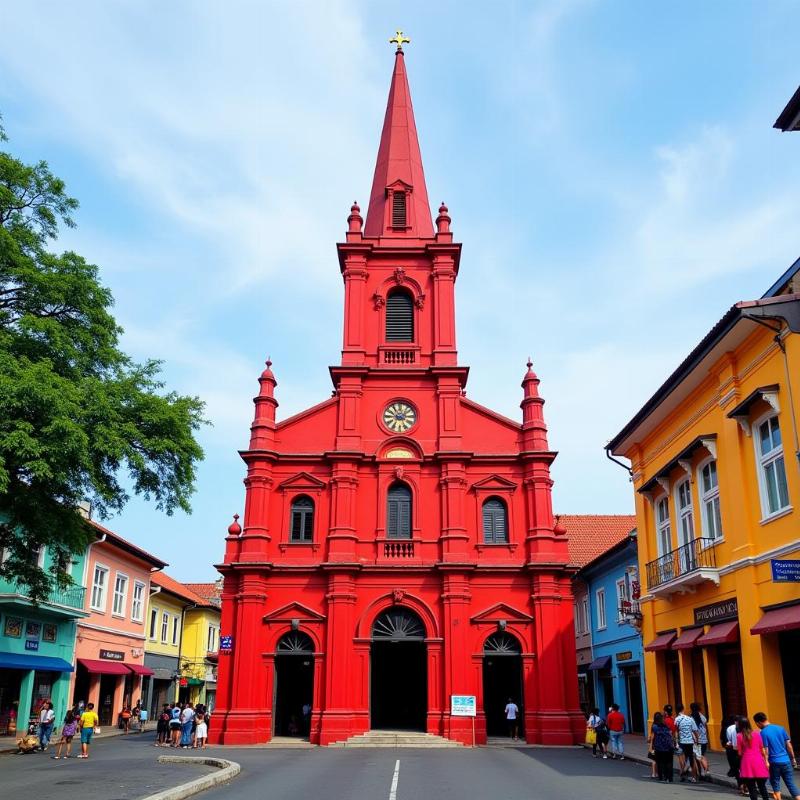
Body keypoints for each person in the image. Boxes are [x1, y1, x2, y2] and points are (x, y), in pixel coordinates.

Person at [754, 711, 800, 800]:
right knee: (790, 784)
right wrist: (793, 758)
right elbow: (789, 745)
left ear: (758, 722)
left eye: (756, 724)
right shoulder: (781, 728)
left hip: (774, 762)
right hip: (786, 761)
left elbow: (765, 749)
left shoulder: (763, 732)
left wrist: (766, 762)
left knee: (775, 783)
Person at [738, 716, 770, 800]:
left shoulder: (739, 736)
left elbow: (740, 752)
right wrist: (766, 760)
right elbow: (761, 748)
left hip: (747, 763)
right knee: (762, 787)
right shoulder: (757, 733)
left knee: (752, 789)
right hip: (758, 761)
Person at [722, 715, 748, 796]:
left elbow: (728, 740)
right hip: (740, 752)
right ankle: (744, 786)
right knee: (741, 769)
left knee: (738, 769)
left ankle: (742, 786)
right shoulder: (746, 729)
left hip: (735, 751)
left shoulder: (730, 728)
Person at [674, 703, 699, 782]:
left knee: (682, 759)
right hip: (690, 742)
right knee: (692, 760)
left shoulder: (677, 719)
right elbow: (695, 731)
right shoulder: (690, 719)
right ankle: (694, 777)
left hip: (682, 742)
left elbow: (676, 731)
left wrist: (676, 741)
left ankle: (683, 774)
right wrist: (697, 741)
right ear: (683, 709)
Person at [649, 711, 675, 783]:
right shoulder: (666, 726)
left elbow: (652, 736)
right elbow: (670, 733)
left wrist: (651, 746)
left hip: (659, 747)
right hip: (669, 746)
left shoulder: (655, 727)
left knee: (660, 762)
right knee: (669, 762)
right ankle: (670, 778)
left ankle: (661, 777)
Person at [691, 702, 710, 777]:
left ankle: (706, 769)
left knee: (699, 756)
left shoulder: (691, 718)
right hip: (704, 739)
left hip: (697, 740)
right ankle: (704, 770)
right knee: (702, 755)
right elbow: (705, 727)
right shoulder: (702, 717)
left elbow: (692, 730)